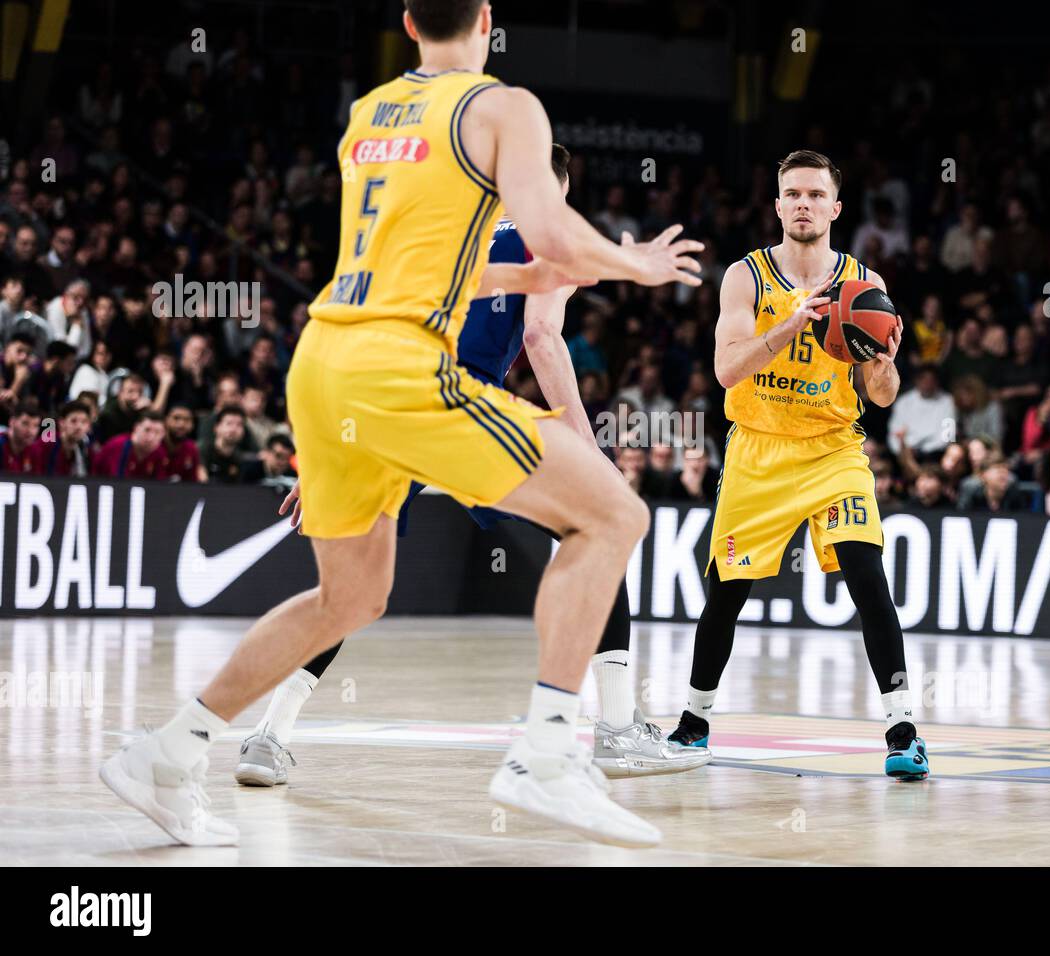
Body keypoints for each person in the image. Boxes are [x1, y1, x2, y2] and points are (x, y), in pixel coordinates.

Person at [98, 0, 702, 850]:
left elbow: (440, 255)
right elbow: (552, 233)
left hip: (323, 365)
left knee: (352, 595)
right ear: (488, 19)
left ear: (410, 23)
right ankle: (546, 757)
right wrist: (634, 263)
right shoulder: (501, 105)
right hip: (404, 369)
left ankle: (168, 750)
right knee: (614, 516)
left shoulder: (368, 113)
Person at [237, 146, 707, 787]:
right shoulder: (554, 235)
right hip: (464, 412)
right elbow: (542, 335)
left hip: (388, 407)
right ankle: (619, 729)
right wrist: (580, 437)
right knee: (597, 525)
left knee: (348, 596)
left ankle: (267, 739)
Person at [665, 149, 929, 781]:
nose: (804, 204)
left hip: (833, 448)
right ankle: (695, 720)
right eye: (793, 194)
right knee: (725, 594)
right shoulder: (745, 277)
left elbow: (883, 395)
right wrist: (788, 326)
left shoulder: (866, 286)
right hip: (758, 447)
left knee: (868, 577)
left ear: (836, 208)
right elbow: (727, 370)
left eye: (816, 194)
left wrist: (886, 364)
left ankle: (903, 730)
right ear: (778, 205)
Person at [92, 410, 169, 479]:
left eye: (157, 432)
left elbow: (160, 485)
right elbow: (117, 483)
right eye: (147, 430)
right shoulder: (118, 445)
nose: (151, 437)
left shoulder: (160, 453)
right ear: (136, 428)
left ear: (163, 434)